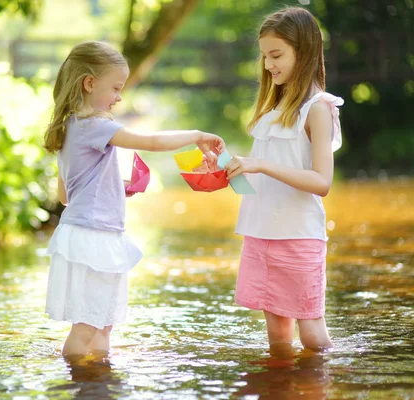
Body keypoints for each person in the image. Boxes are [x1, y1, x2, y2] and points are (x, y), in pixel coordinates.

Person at [43, 41, 225, 358]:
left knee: (102, 324)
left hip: (84, 233)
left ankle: (98, 383)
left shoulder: (69, 127)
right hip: (96, 236)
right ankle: (78, 385)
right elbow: (152, 141)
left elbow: (65, 195)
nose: (119, 97)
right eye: (115, 88)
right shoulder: (95, 124)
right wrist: (196, 135)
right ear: (89, 83)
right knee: (88, 327)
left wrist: (114, 185)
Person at [223, 7, 344, 351]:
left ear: (303, 52)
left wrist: (260, 165)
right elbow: (261, 177)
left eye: (275, 55)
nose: (267, 65)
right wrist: (229, 167)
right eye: (264, 56)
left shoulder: (318, 109)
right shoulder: (273, 109)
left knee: (311, 336)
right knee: (277, 338)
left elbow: (322, 182)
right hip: (260, 232)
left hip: (298, 235)